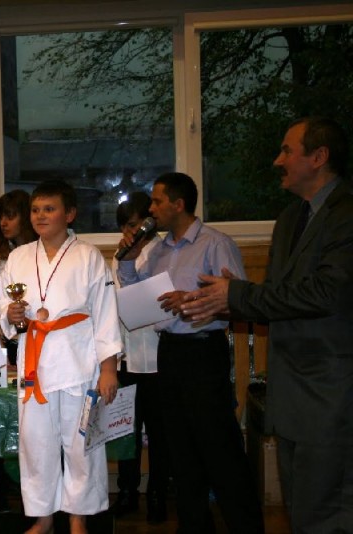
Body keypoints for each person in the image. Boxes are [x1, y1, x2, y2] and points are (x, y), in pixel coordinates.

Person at [181, 117, 353, 533]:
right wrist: (227, 302)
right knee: (303, 512)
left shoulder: (346, 214)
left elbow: (326, 293)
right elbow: (280, 297)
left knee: (328, 515)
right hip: (293, 394)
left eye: (287, 151)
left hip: (332, 395)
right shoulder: (292, 217)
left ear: (319, 156)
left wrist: (239, 295)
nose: (278, 160)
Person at [116, 172, 263, 533]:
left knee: (219, 448)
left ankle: (245, 526)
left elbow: (239, 301)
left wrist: (193, 300)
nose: (151, 209)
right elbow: (137, 297)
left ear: (178, 204)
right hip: (169, 352)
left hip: (203, 353)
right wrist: (127, 259)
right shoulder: (158, 250)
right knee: (180, 450)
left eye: (157, 201)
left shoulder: (215, 244)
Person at [0, 179, 122, 534]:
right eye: (35, 210)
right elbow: (3, 302)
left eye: (49, 209)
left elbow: (105, 313)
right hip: (34, 362)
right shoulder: (19, 257)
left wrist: (108, 369)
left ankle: (78, 517)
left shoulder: (88, 256)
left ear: (70, 214)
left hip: (78, 360)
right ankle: (43, 516)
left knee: (81, 444)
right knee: (36, 444)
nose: (40, 216)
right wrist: (10, 314)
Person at [109, 192, 169, 524]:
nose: (130, 232)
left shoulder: (163, 251)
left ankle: (158, 493)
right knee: (125, 430)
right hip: (128, 358)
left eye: (135, 225)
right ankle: (127, 492)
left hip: (159, 357)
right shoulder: (118, 257)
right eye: (125, 226)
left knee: (160, 432)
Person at [0, 189, 37, 284]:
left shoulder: (41, 248)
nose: (3, 223)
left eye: (10, 216)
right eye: (0, 217)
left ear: (26, 218)